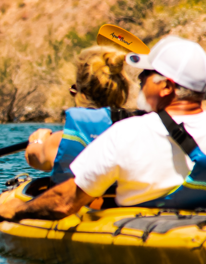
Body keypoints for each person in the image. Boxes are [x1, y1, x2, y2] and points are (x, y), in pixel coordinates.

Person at [0, 37, 206, 221]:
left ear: (164, 86)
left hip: (147, 246)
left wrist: (14, 211)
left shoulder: (127, 133)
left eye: (146, 75)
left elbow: (65, 202)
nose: (140, 82)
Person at [24, 46, 132, 184]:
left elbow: (34, 157)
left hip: (77, 202)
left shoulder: (59, 141)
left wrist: (37, 140)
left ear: (82, 93)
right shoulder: (142, 130)